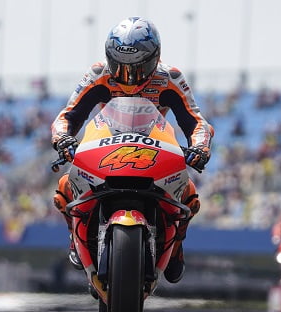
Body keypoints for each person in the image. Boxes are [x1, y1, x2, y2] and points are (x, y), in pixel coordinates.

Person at [50, 16, 214, 284]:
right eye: (120, 66)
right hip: (105, 148)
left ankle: (175, 245)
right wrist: (63, 139)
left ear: (155, 58)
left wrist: (200, 147)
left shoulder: (170, 78)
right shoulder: (98, 74)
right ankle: (74, 236)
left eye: (138, 67)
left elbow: (196, 121)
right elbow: (67, 116)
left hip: (153, 149)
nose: (128, 76)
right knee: (66, 185)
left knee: (188, 194)